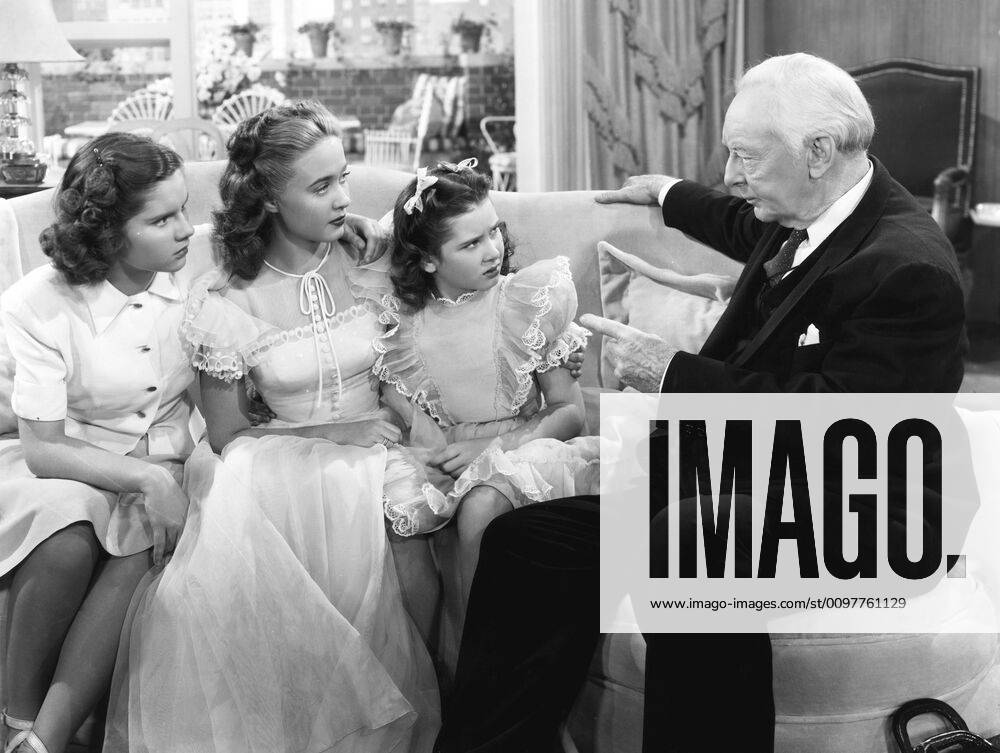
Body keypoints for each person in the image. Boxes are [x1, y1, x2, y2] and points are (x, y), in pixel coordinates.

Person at [438, 52, 969, 753]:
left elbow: (840, 427)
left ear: (817, 151)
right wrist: (665, 192)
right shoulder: (807, 205)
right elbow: (734, 219)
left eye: (745, 155)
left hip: (868, 504)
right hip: (757, 482)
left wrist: (669, 372)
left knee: (692, 540)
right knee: (526, 542)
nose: (732, 173)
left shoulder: (908, 267)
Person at [104, 101, 439, 753]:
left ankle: (428, 712)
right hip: (272, 454)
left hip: (382, 445)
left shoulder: (369, 258)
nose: (344, 197)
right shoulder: (227, 298)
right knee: (279, 503)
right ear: (267, 197)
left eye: (343, 177)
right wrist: (339, 445)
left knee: (405, 526)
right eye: (321, 186)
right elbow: (228, 434)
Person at [0, 133, 195, 753]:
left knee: (145, 539)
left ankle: (41, 743)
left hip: (169, 448)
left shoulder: (194, 266)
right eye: (162, 218)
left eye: (184, 208)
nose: (186, 229)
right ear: (108, 232)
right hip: (60, 457)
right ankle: (16, 718)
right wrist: (146, 478)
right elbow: (43, 449)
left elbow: (282, 231)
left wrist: (359, 226)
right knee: (67, 535)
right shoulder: (39, 304)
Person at [373, 159, 599, 620]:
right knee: (397, 507)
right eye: (471, 243)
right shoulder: (406, 327)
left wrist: (490, 445)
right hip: (447, 454)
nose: (492, 250)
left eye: (494, 232)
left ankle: (479, 657)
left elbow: (569, 412)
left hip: (524, 447)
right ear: (429, 258)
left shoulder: (525, 303)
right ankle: (436, 666)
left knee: (481, 505)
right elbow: (409, 415)